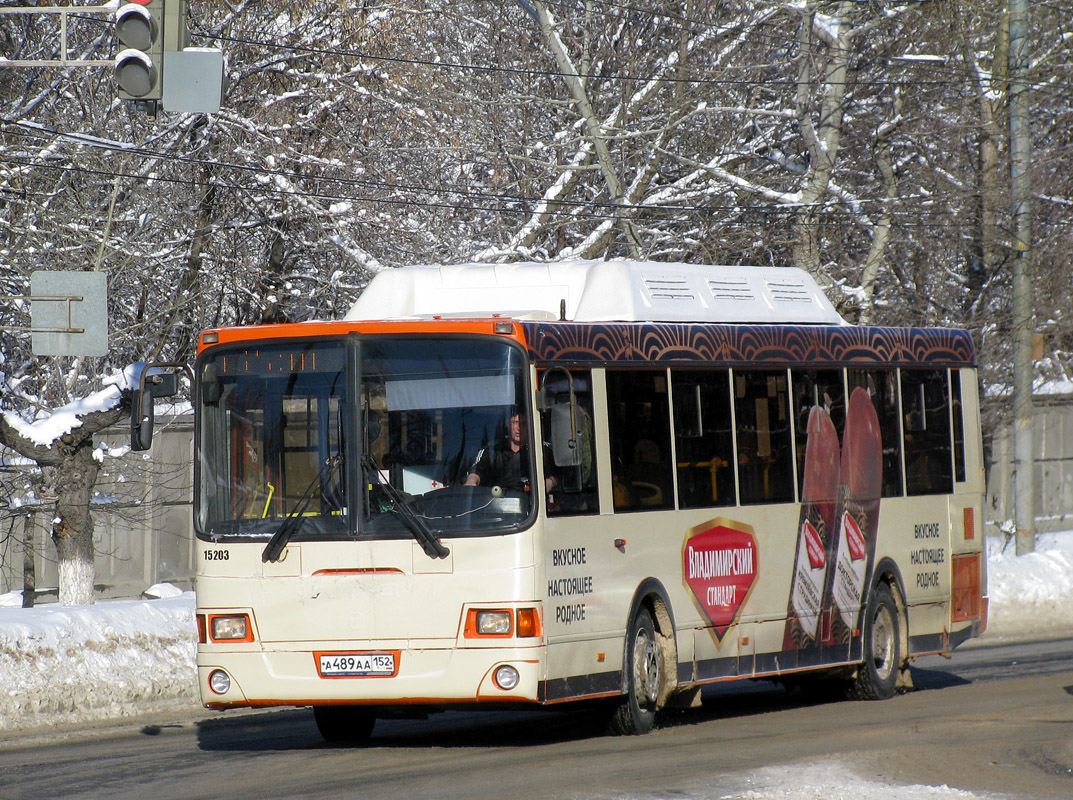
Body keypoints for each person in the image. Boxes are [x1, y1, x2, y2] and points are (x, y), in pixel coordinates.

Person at [465, 411, 556, 494]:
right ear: (508, 424)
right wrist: (472, 480)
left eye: (523, 423)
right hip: (496, 503)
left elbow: (558, 472)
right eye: (515, 422)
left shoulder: (542, 449)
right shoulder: (494, 449)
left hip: (533, 505)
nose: (519, 428)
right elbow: (478, 468)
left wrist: (551, 481)